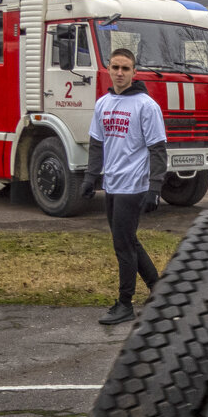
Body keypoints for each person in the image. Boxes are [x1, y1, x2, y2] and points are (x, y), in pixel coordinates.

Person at [82, 47, 166, 325]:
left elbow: (157, 149)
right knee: (128, 240)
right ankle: (158, 288)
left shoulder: (146, 105)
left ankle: (125, 304)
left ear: (134, 72)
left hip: (134, 185)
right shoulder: (103, 103)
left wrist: (155, 187)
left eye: (125, 68)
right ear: (108, 68)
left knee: (123, 244)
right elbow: (97, 143)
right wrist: (90, 177)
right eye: (115, 67)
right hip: (112, 184)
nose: (119, 73)